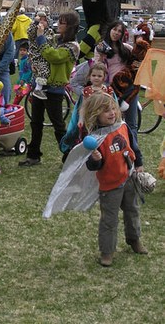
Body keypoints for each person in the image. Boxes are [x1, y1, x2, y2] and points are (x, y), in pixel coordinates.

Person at [84, 93, 147, 267]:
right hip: (110, 186)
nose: (112, 112)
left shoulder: (123, 127)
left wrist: (139, 164)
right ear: (95, 114)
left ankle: (134, 240)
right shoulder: (96, 138)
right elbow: (92, 166)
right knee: (109, 220)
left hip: (128, 178)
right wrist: (95, 159)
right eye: (105, 111)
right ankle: (107, 251)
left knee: (132, 211)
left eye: (113, 108)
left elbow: (133, 147)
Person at [19, 10, 80, 167]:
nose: (58, 25)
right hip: (40, 85)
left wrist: (40, 37)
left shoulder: (73, 46)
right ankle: (33, 155)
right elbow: (40, 51)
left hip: (54, 89)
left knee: (58, 125)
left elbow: (53, 56)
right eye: (58, 21)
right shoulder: (55, 38)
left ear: (71, 26)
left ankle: (70, 155)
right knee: (36, 122)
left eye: (62, 22)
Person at [94, 20, 144, 165]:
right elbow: (98, 70)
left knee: (131, 124)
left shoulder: (126, 48)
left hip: (129, 90)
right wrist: (102, 58)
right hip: (112, 90)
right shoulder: (101, 48)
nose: (116, 33)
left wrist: (138, 64)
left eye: (120, 31)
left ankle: (134, 156)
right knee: (114, 123)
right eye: (114, 30)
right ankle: (114, 153)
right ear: (110, 30)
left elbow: (137, 61)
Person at [60, 62, 113, 155]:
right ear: (89, 76)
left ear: (104, 77)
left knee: (103, 140)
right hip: (90, 121)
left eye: (99, 76)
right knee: (90, 139)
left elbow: (112, 106)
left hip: (104, 121)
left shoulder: (107, 90)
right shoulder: (87, 91)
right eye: (94, 75)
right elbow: (83, 106)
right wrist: (80, 119)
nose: (96, 78)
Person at [27, 10, 55, 100]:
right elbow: (29, 33)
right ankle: (37, 89)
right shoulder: (34, 30)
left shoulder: (50, 31)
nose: (42, 22)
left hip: (46, 55)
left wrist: (42, 35)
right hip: (35, 56)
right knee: (43, 70)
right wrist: (35, 23)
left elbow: (51, 41)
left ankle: (37, 88)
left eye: (44, 20)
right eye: (40, 20)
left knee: (47, 70)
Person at [12, 41, 33, 105]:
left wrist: (23, 79)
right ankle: (14, 108)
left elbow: (28, 71)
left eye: (24, 50)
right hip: (21, 82)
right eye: (21, 50)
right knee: (19, 97)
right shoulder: (22, 60)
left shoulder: (27, 61)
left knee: (28, 97)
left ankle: (14, 107)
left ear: (27, 51)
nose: (22, 52)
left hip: (26, 83)